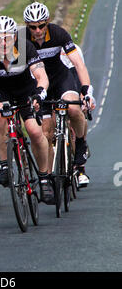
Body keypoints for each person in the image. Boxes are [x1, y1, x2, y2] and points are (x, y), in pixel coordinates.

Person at [0, 15, 55, 205]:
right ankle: (5, 166)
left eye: (7, 37)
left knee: (34, 130)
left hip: (26, 91)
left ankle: (44, 178)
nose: (3, 42)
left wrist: (39, 94)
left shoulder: (26, 48)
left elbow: (42, 76)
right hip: (1, 90)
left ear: (15, 37)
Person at [23, 2, 95, 182]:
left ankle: (80, 144)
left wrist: (86, 90)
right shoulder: (21, 39)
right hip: (38, 85)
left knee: (73, 108)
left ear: (47, 22)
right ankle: (47, 178)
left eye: (41, 25)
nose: (37, 30)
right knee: (45, 133)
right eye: (33, 27)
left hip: (60, 78)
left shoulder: (58, 33)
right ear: (27, 26)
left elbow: (78, 64)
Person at [60, 44, 92, 187]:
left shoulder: (74, 49)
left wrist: (85, 96)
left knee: (79, 112)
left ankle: (80, 168)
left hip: (73, 78)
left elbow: (80, 73)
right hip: (55, 82)